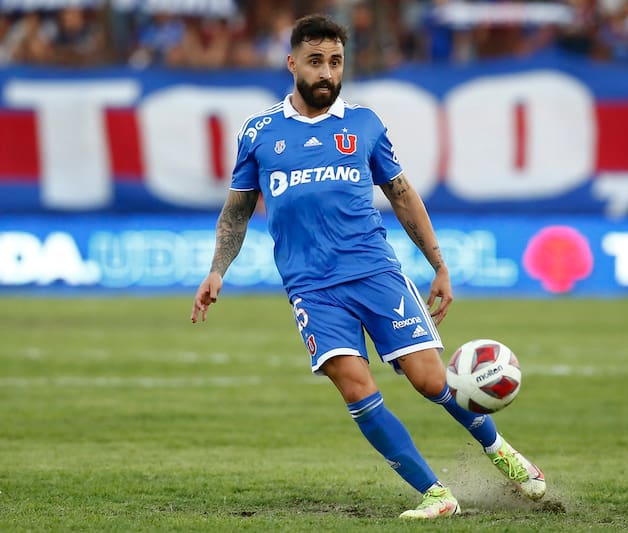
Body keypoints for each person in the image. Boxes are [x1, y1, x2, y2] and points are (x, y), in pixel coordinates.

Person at [190, 13, 546, 519]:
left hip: (376, 272)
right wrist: (217, 268)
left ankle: (501, 454)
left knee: (429, 380)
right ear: (292, 63)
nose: (327, 73)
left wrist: (438, 265)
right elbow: (238, 209)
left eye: (335, 62)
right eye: (316, 62)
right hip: (311, 288)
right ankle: (436, 494)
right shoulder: (259, 132)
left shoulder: (365, 124)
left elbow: (401, 195)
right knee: (357, 387)